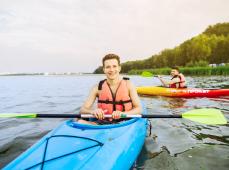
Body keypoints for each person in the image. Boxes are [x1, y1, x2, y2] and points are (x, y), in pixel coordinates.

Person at [79, 54, 142, 125]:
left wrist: (123, 114)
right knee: (80, 122)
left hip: (125, 122)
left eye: (114, 66)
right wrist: (93, 111)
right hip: (104, 122)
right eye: (108, 67)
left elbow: (139, 109)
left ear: (119, 68)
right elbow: (82, 110)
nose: (111, 70)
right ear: (104, 69)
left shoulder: (128, 85)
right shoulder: (97, 88)